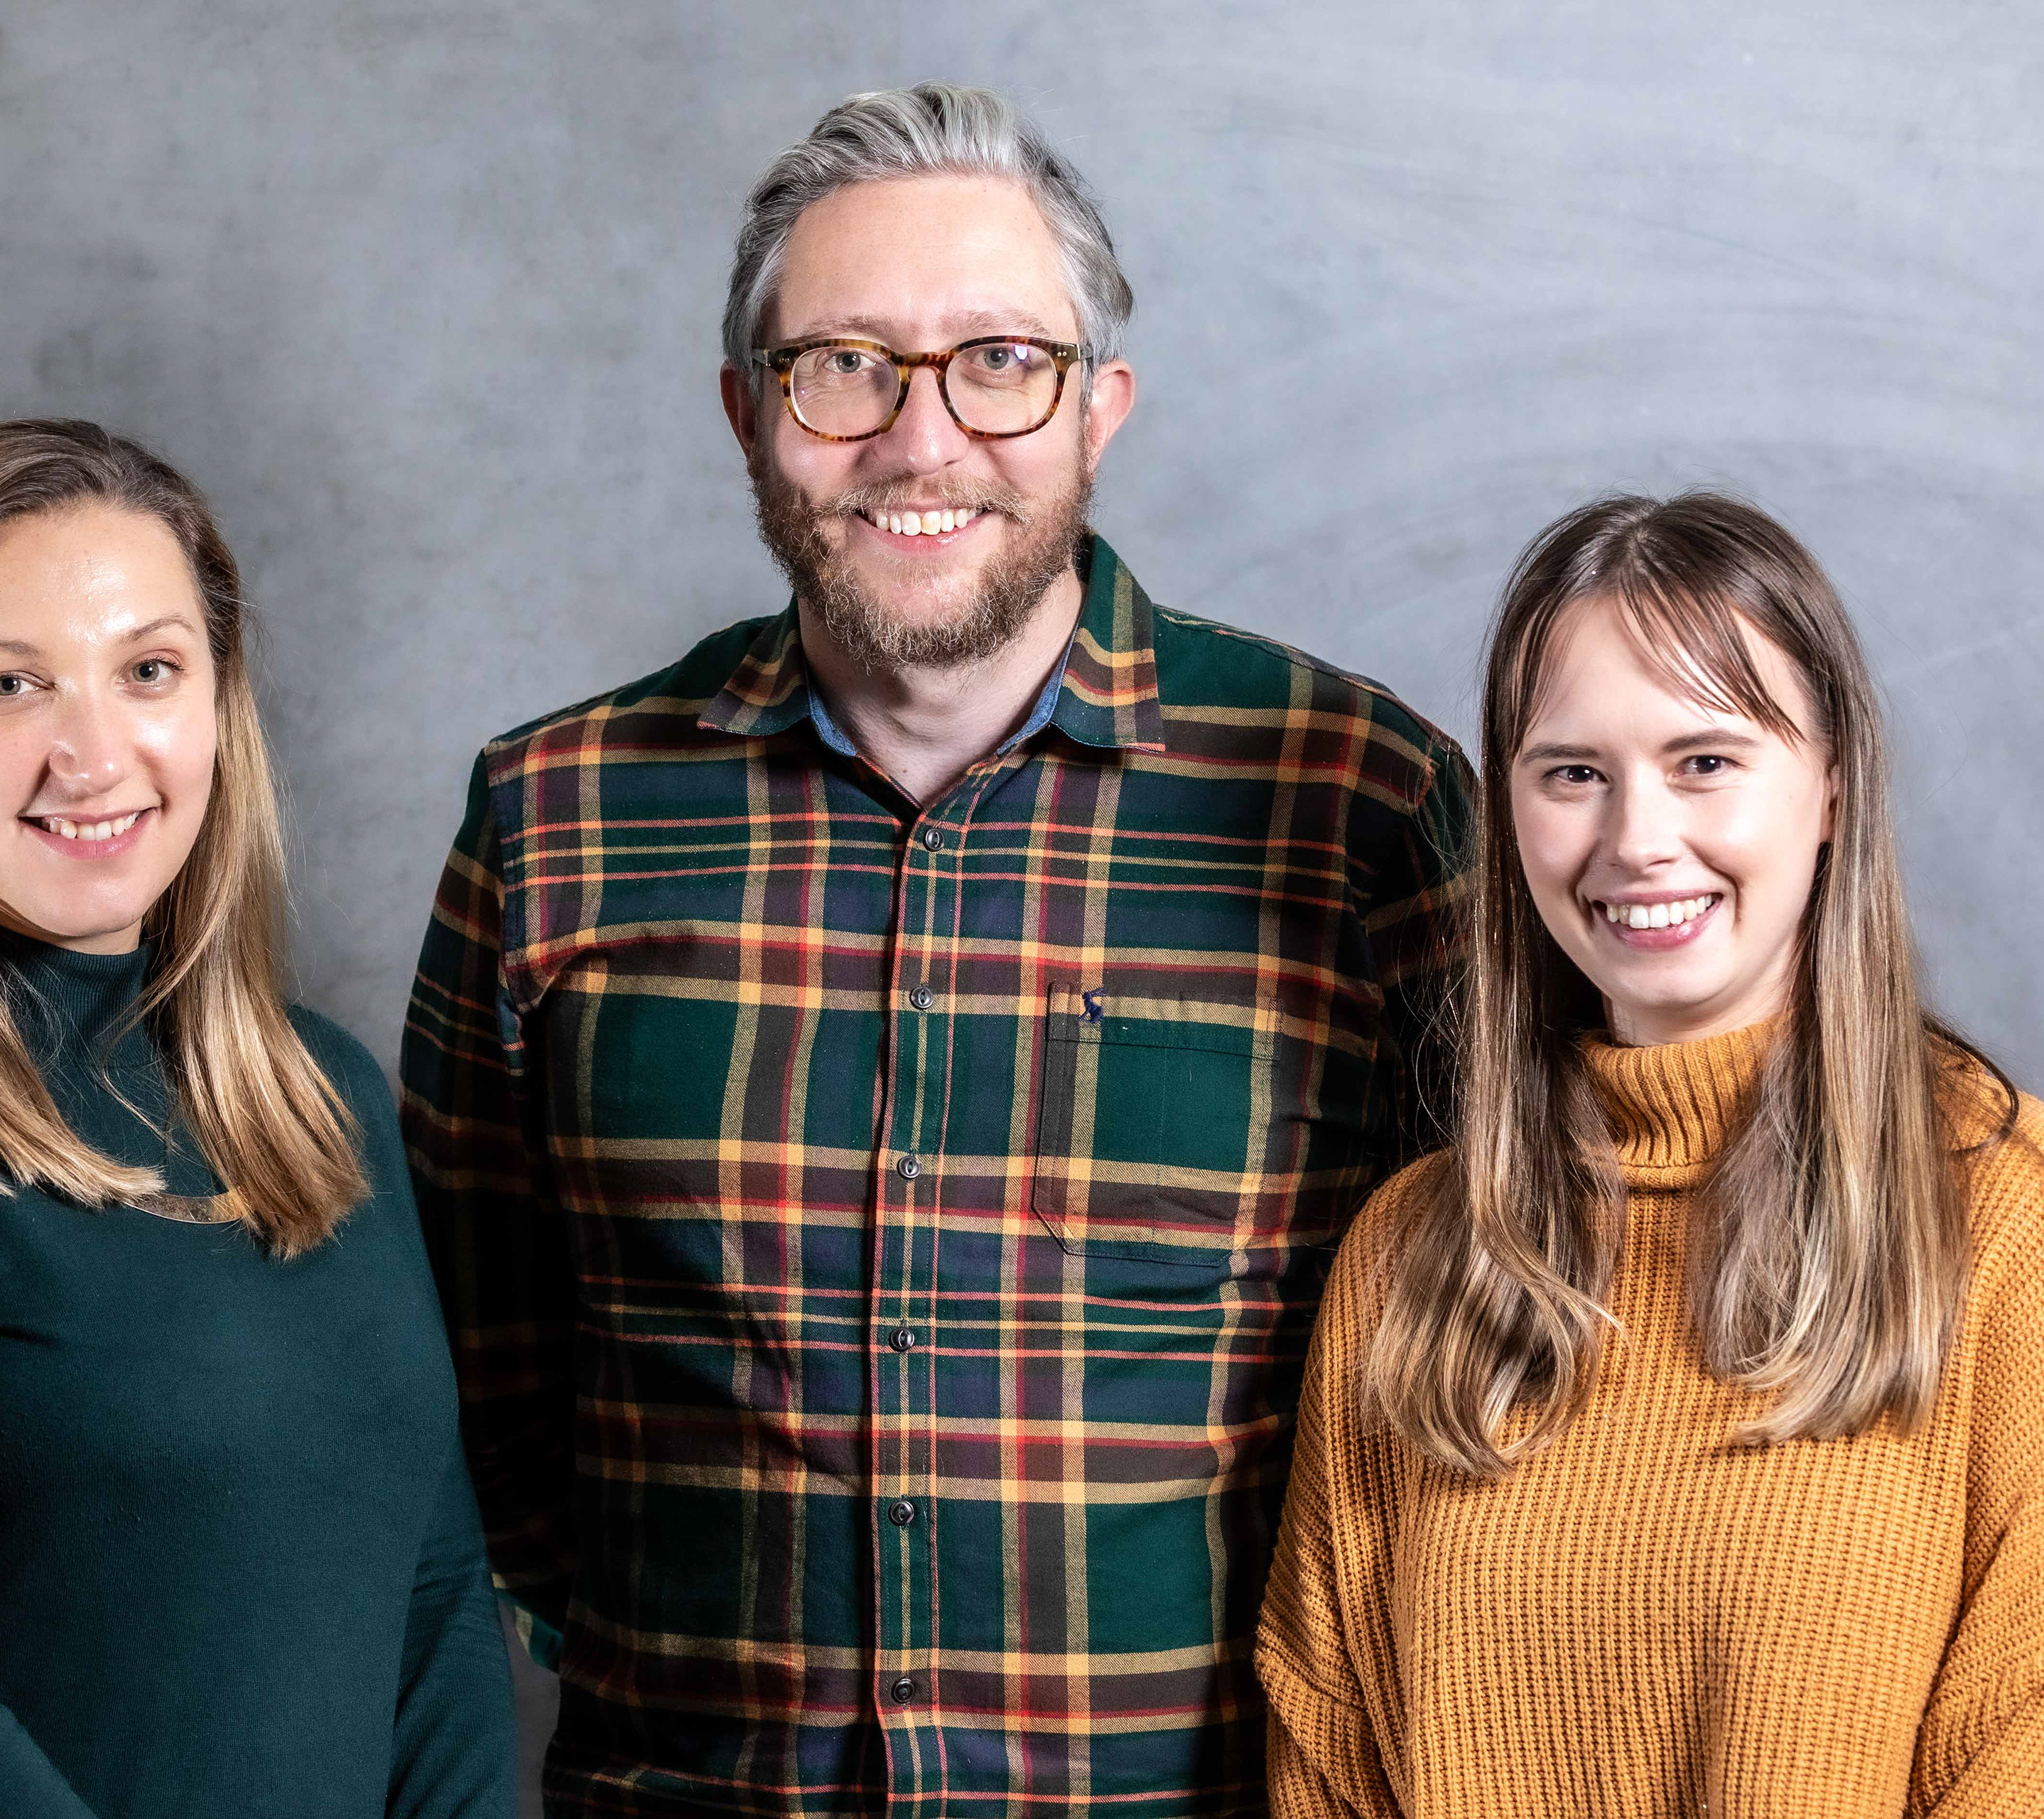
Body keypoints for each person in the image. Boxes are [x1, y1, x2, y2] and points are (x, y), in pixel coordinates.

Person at [401, 83, 1473, 1818]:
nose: (923, 438)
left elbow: (1483, 1374)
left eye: (1000, 362)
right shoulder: (556, 818)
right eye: (846, 366)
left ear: (1099, 408)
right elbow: (475, 1381)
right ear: (748, 414)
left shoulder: (1359, 804)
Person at [1256, 492, 2044, 1816]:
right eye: (1572, 773)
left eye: (1706, 760)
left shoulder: (2035, 1223)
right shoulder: (1414, 1258)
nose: (1637, 839)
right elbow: (1328, 1753)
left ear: (1832, 786)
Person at [0, 420, 517, 1819]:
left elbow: (434, 1610)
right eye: (10, 684)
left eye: (149, 670)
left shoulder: (323, 1094)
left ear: (218, 703)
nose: (95, 752)